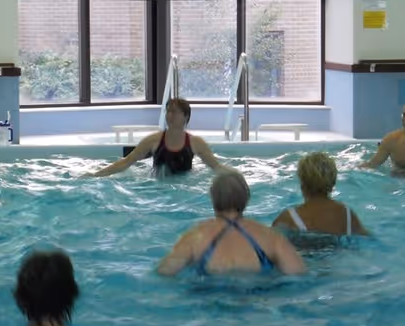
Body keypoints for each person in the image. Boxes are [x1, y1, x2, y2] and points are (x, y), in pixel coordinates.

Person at [157, 170, 306, 276]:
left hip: (209, 305)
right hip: (256, 306)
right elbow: (298, 274)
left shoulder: (194, 237)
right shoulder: (271, 238)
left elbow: (164, 272)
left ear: (213, 199)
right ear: (246, 198)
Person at [91, 98, 226, 177]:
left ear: (186, 116)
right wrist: (95, 175)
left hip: (186, 188)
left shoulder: (196, 143)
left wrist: (236, 177)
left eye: (175, 112)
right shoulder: (153, 140)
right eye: (168, 111)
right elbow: (126, 162)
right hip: (158, 189)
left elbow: (216, 167)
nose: (170, 115)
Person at [272, 151, 369, 236]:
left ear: (302, 183)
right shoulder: (347, 214)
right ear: (333, 182)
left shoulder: (289, 218)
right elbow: (367, 239)